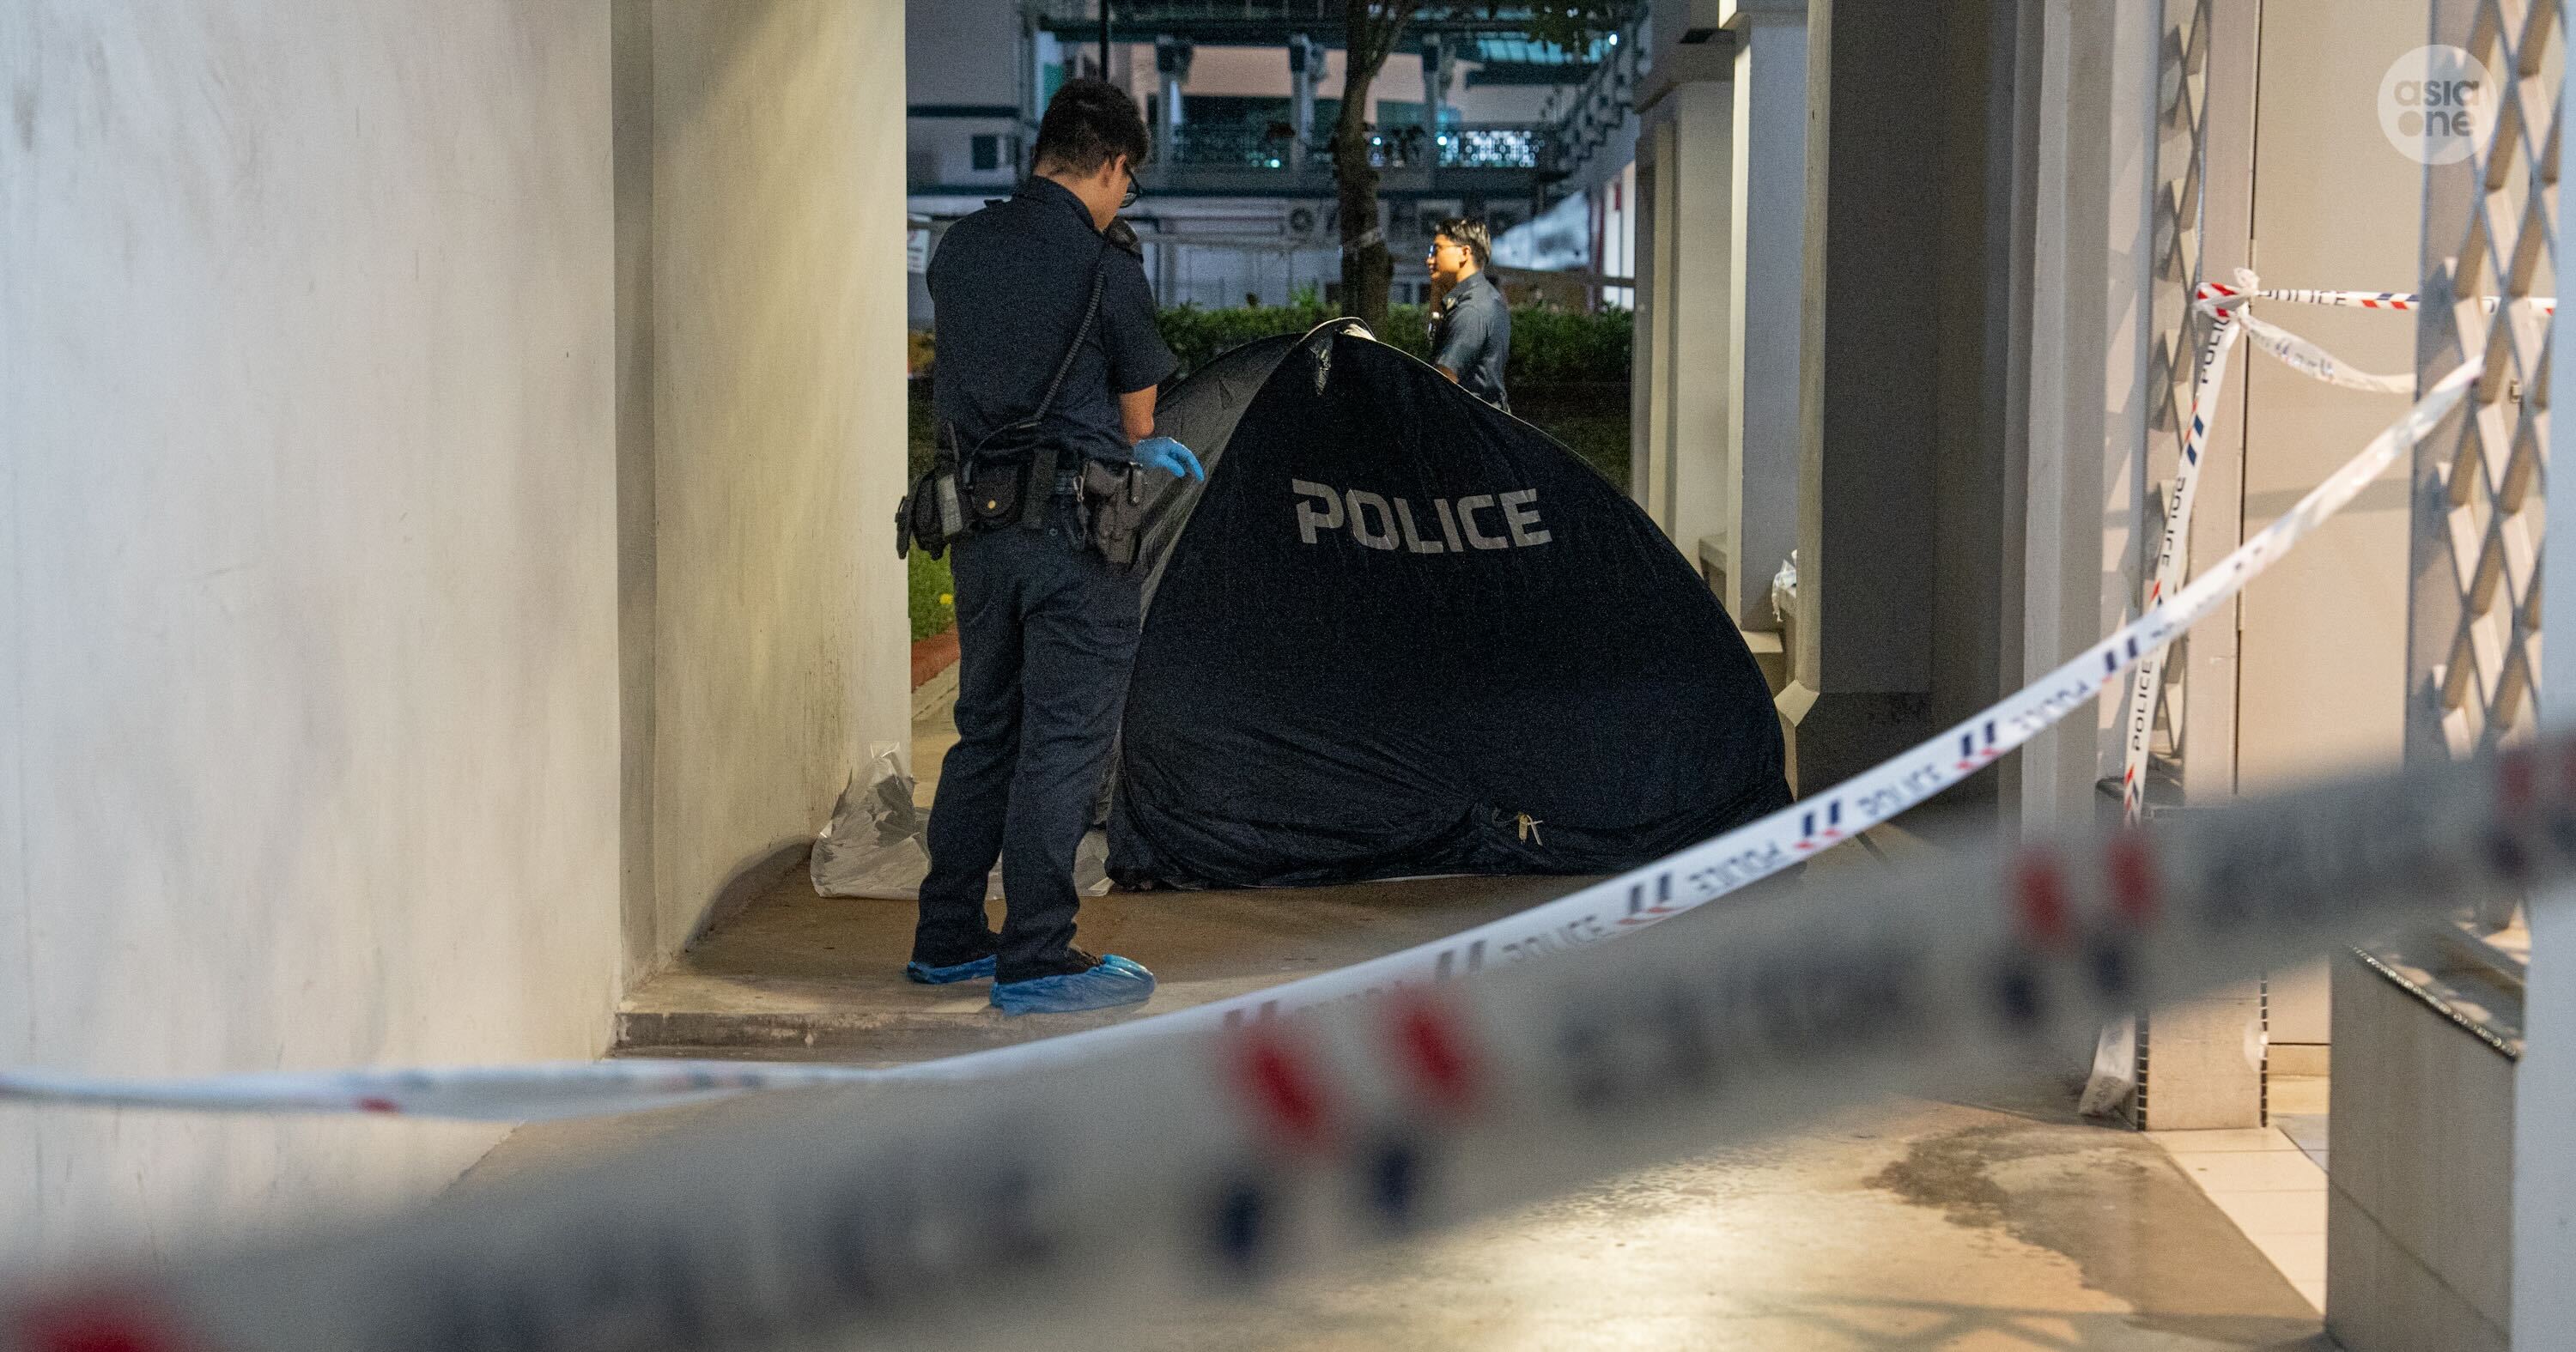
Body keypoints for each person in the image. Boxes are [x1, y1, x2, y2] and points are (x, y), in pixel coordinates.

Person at [914, 80, 1205, 1016]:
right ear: (1115, 164)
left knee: (985, 730)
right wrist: (1139, 442)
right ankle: (1038, 954)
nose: (1125, 197)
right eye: (1129, 179)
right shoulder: (1105, 266)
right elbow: (1138, 418)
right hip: (1077, 535)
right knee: (1064, 740)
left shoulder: (958, 252)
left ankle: (950, 934)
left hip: (977, 531)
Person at [1425, 216, 1511, 412]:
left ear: (1464, 252)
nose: (1429, 260)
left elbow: (1444, 377)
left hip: (1469, 428)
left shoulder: (1471, 310)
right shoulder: (1485, 297)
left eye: (1436, 250)